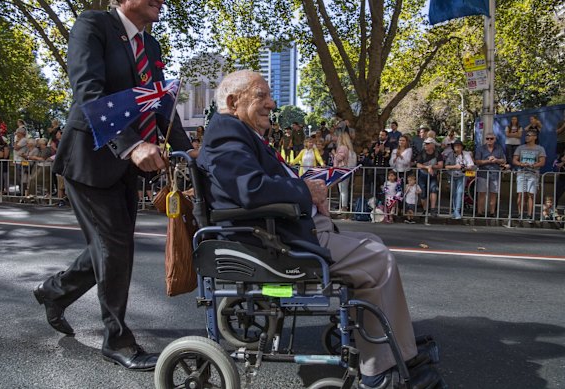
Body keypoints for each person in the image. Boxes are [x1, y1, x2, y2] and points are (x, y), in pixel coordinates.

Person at [196, 70, 439, 389]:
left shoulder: (239, 131)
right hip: (272, 240)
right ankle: (379, 371)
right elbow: (250, 190)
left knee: (371, 244)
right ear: (232, 101)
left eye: (270, 95)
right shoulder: (227, 131)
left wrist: (306, 187)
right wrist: (305, 192)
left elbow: (259, 182)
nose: (271, 102)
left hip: (282, 228)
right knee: (378, 259)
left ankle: (395, 346)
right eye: (261, 95)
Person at [32, 0, 193, 372]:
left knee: (109, 247)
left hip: (123, 168)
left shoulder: (149, 45)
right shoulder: (92, 25)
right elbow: (89, 93)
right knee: (114, 247)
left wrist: (191, 149)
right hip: (89, 159)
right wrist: (133, 145)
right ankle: (117, 340)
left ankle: (53, 291)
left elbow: (159, 102)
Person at [513, 130, 546, 221]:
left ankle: (529, 215)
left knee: (530, 194)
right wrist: (521, 164)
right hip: (521, 173)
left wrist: (533, 165)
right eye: (526, 135)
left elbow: (542, 162)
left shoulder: (540, 148)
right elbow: (514, 160)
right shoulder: (520, 148)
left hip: (533, 174)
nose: (527, 137)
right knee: (520, 194)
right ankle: (520, 214)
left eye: (529, 135)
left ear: (535, 137)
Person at [474, 134, 506, 217]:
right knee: (481, 193)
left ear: (494, 139)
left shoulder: (499, 148)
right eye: (487, 138)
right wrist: (488, 161)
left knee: (493, 193)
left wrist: (496, 160)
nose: (489, 140)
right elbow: (477, 161)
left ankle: (492, 212)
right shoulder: (480, 148)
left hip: (495, 173)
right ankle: (479, 212)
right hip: (483, 173)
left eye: (491, 138)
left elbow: (503, 160)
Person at [445, 140, 475, 220]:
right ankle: (455, 211)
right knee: (454, 193)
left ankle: (457, 211)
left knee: (460, 192)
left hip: (462, 176)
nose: (457, 147)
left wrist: (464, 167)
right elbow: (446, 166)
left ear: (462, 147)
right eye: (456, 146)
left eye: (459, 146)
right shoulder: (450, 155)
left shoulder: (466, 154)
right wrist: (455, 166)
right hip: (451, 175)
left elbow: (471, 166)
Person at [415, 137, 443, 216]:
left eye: (427, 144)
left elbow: (440, 165)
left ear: (432, 145)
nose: (425, 145)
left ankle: (433, 209)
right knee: (423, 193)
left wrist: (431, 166)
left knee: (433, 190)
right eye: (425, 143)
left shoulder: (437, 154)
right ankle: (425, 209)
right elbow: (418, 164)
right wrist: (427, 167)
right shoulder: (422, 153)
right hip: (422, 175)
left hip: (433, 175)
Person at [333, 131, 357, 214]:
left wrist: (334, 154)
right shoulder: (350, 149)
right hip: (347, 169)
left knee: (343, 190)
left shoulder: (342, 147)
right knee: (344, 189)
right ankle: (343, 207)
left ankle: (343, 207)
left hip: (341, 169)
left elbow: (339, 157)